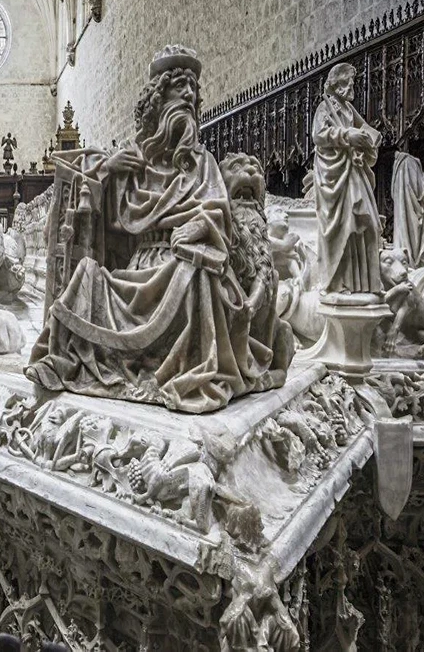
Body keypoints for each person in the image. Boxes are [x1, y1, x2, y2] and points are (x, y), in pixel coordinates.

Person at [26, 45, 280, 415]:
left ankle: (179, 365)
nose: (189, 98)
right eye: (180, 91)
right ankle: (75, 359)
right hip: (138, 267)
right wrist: (107, 170)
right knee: (86, 280)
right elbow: (92, 215)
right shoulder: (132, 160)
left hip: (180, 264)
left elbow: (219, 213)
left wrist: (199, 226)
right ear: (158, 102)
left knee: (196, 275)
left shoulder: (203, 164)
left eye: (193, 94)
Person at [311, 63, 382, 296]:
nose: (352, 85)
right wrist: (345, 135)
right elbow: (318, 135)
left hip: (353, 169)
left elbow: (365, 127)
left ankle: (366, 283)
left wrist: (370, 136)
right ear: (337, 84)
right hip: (335, 174)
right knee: (346, 224)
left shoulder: (348, 109)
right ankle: (339, 282)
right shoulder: (326, 107)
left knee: (368, 223)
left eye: (353, 81)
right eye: (348, 81)